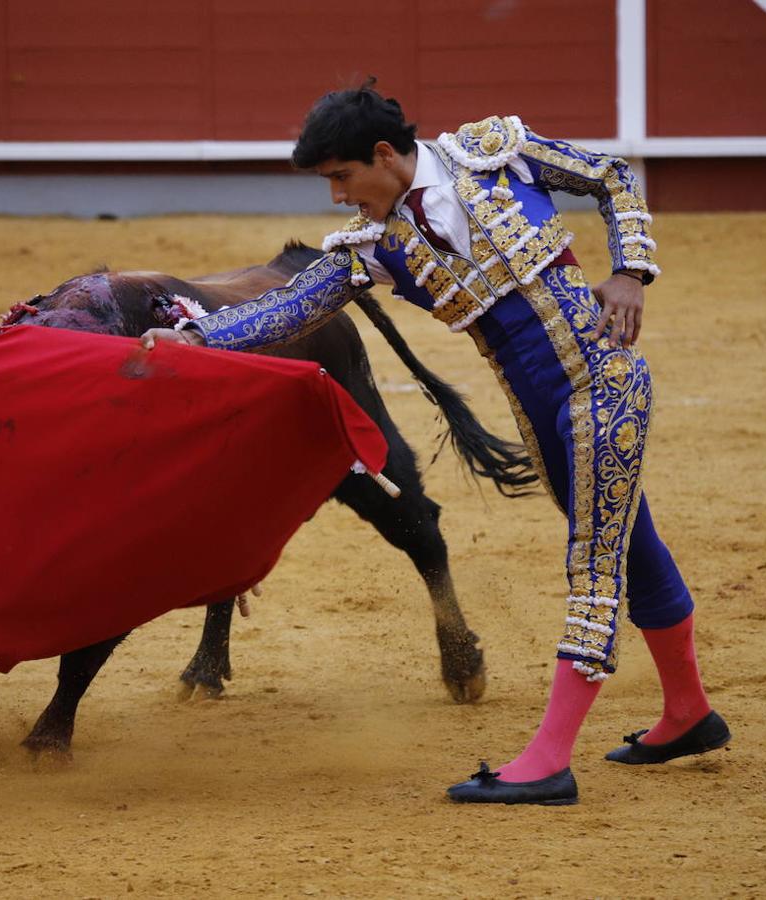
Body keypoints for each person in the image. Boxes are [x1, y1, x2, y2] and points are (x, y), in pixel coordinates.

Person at [140, 82, 729, 806]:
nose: (335, 198)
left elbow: (609, 175)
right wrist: (195, 334)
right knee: (629, 544)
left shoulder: (491, 156)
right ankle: (688, 714)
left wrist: (630, 272)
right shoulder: (375, 248)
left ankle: (548, 759)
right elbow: (288, 307)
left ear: (382, 155)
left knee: (594, 562)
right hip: (539, 410)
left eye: (340, 177)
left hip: (602, 384)